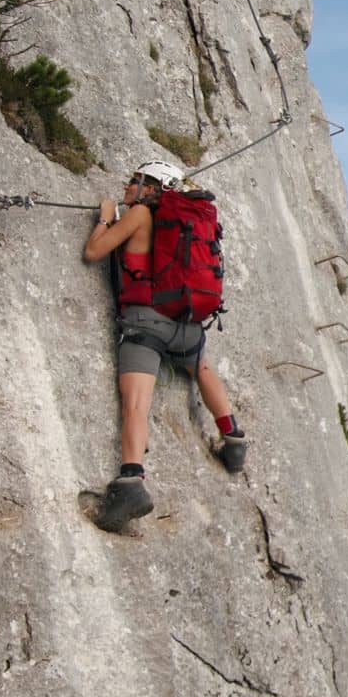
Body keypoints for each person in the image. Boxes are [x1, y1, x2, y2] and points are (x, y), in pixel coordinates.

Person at [82, 160, 246, 530]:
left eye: (135, 182)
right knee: (201, 367)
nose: (127, 187)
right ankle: (233, 437)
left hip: (146, 323)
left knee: (137, 403)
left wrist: (106, 217)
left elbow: (94, 252)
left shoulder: (139, 214)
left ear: (152, 188)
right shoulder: (187, 224)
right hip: (186, 326)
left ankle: (131, 481)